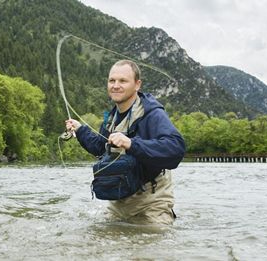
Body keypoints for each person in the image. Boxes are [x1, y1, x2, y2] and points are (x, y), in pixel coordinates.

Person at [65, 60, 185, 225]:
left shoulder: (152, 114)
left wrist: (131, 143)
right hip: (119, 204)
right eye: (112, 80)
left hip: (152, 204)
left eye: (123, 81)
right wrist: (80, 130)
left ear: (137, 85)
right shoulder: (111, 118)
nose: (115, 85)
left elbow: (176, 149)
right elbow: (101, 147)